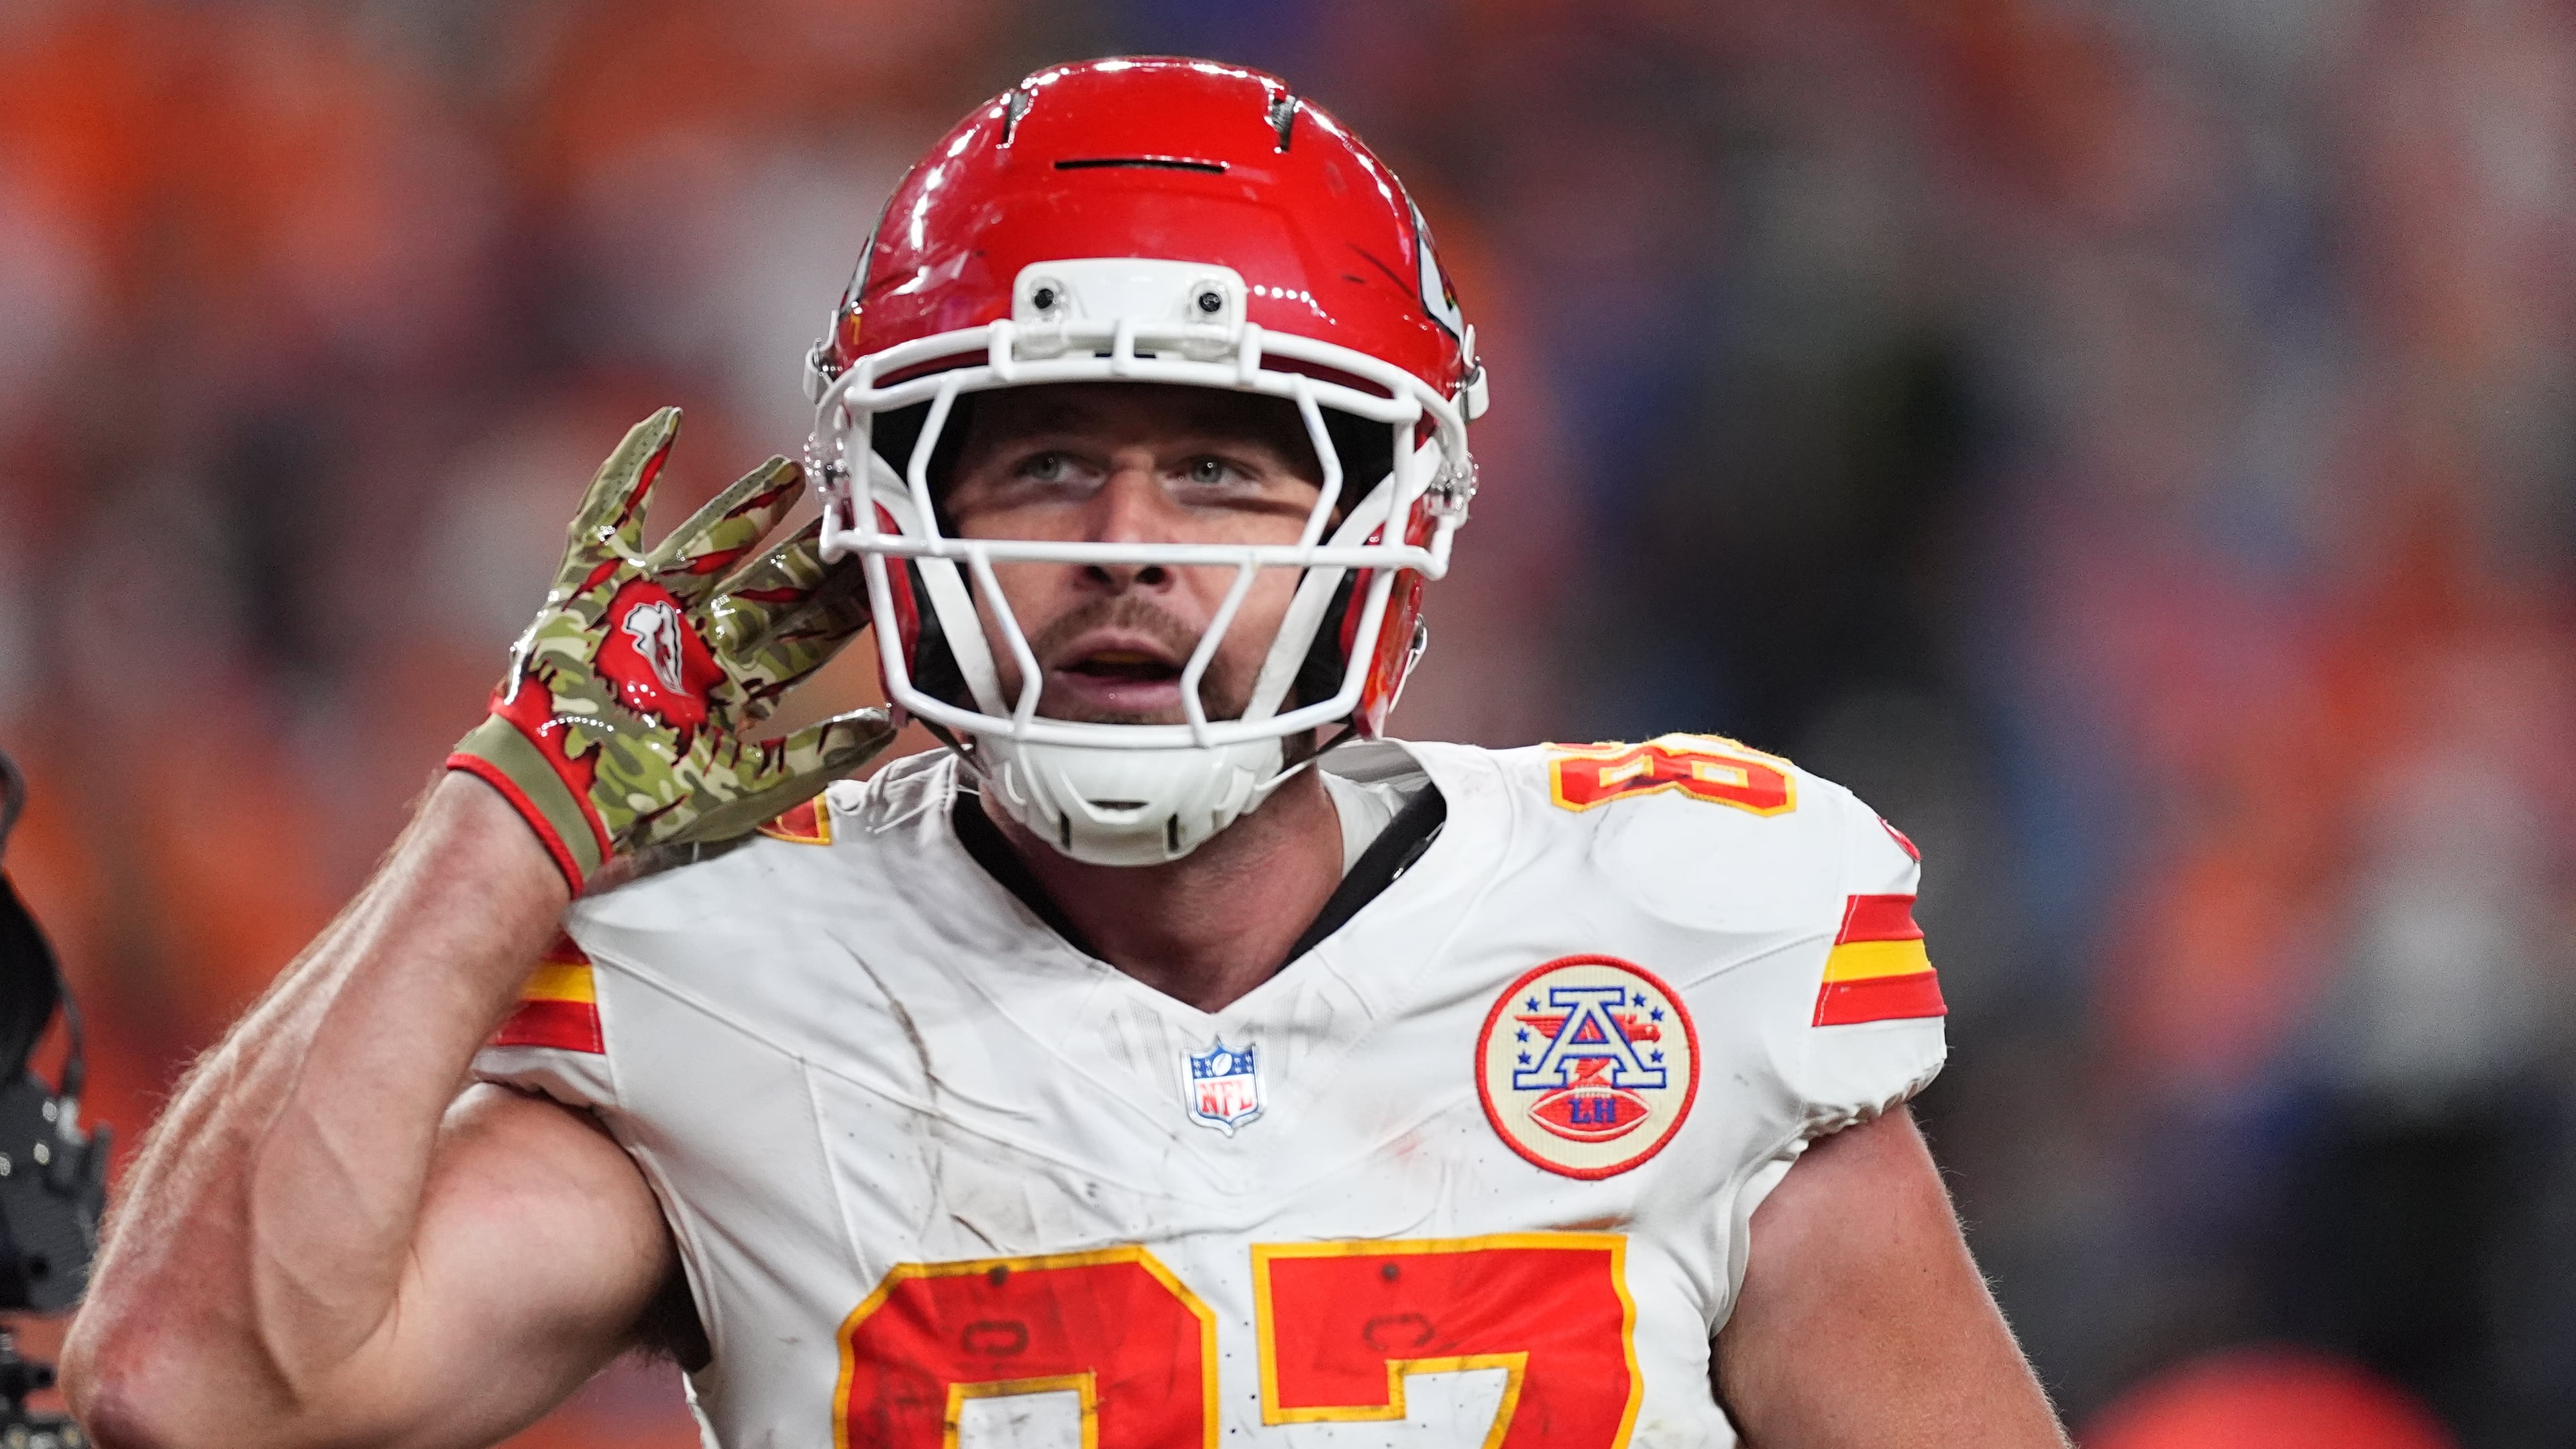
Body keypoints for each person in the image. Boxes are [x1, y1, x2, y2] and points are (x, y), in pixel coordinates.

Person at [62, 58, 2069, 1449]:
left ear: (1381, 515)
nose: (1125, 546)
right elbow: (199, 1394)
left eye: (1217, 466)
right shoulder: (739, 980)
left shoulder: (1675, 938)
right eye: (1043, 465)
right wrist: (514, 810)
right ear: (893, 517)